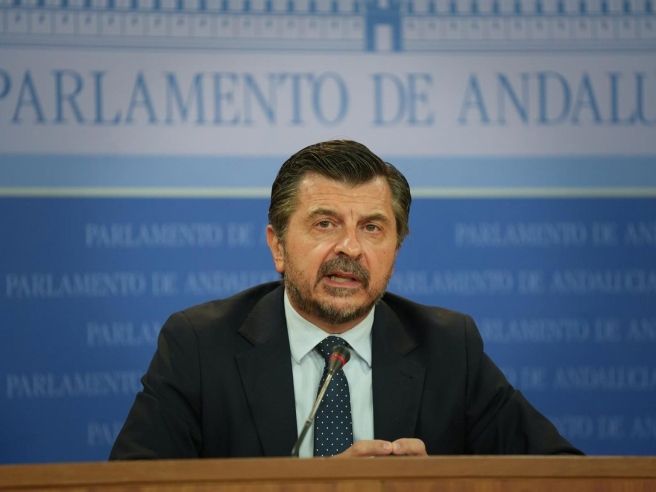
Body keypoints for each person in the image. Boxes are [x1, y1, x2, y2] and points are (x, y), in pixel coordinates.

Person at [110, 140, 582, 459]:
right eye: (325, 224)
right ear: (277, 246)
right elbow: (133, 486)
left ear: (396, 248)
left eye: (372, 228)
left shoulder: (447, 347)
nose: (350, 248)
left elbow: (562, 474)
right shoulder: (199, 345)